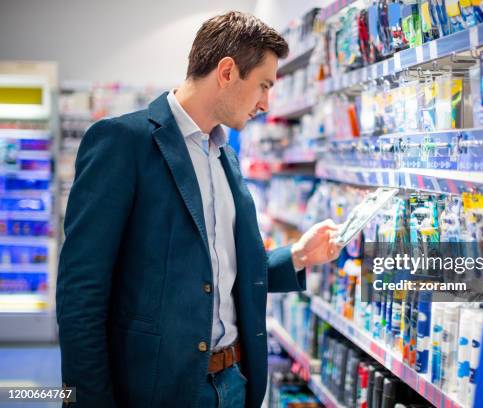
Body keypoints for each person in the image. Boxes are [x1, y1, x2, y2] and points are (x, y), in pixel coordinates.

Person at [56, 11, 341, 408]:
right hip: (157, 389)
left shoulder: (225, 155)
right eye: (263, 85)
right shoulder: (123, 141)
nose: (266, 103)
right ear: (226, 72)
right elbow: (81, 293)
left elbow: (219, 271)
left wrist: (297, 256)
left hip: (233, 384)